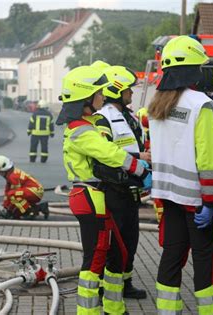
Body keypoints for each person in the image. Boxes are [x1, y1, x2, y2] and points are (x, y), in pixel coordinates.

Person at [57, 65, 151, 315]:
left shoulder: (85, 124)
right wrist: (139, 169)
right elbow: (109, 153)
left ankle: (114, 308)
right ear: (85, 98)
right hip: (89, 196)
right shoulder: (81, 130)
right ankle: (88, 311)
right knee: (96, 257)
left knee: (117, 252)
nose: (102, 95)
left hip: (95, 197)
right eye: (98, 92)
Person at [149, 36, 213, 314]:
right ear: (195, 69)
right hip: (197, 198)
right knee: (205, 258)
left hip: (168, 195)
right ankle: (209, 311)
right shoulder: (201, 105)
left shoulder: (157, 103)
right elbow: (208, 158)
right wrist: (210, 201)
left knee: (171, 255)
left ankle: (167, 311)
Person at [93, 64, 151, 299]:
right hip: (114, 190)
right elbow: (105, 154)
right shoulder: (103, 118)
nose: (132, 93)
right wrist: (140, 158)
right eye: (128, 89)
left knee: (130, 240)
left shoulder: (130, 116)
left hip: (131, 189)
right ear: (117, 90)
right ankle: (108, 287)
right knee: (114, 243)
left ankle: (125, 283)